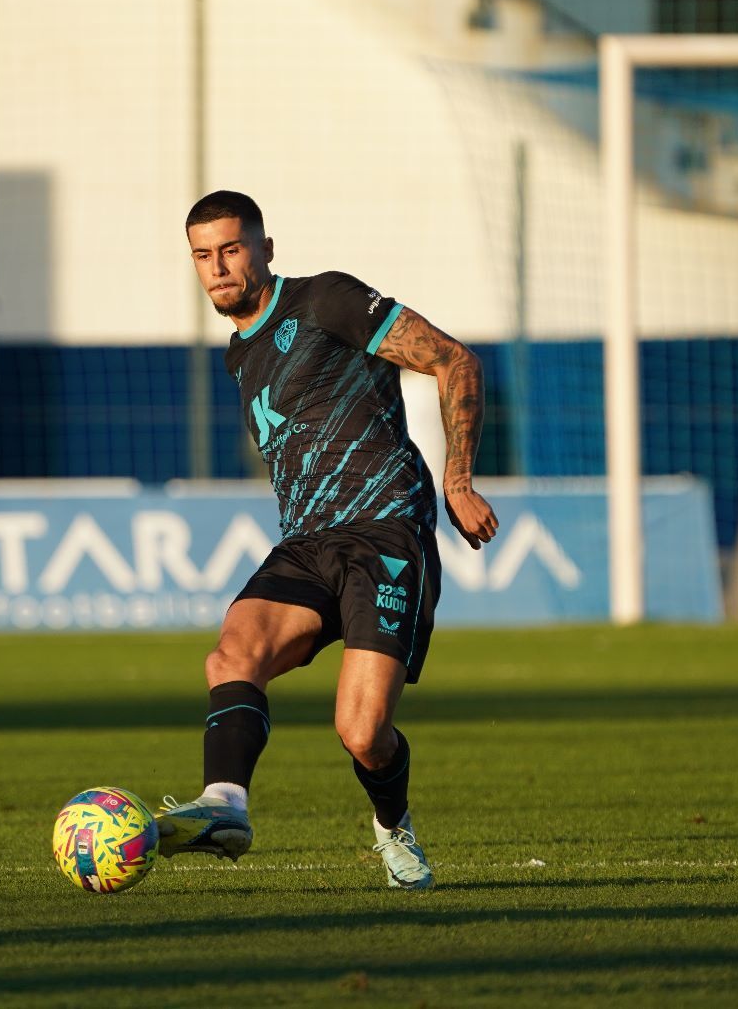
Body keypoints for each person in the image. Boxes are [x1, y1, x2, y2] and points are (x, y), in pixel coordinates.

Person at [158, 190, 498, 890]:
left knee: (363, 734)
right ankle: (225, 805)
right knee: (231, 655)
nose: (218, 267)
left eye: (231, 248)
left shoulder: (326, 300)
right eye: (203, 255)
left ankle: (393, 828)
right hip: (307, 544)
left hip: (384, 535)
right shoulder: (238, 356)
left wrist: (457, 480)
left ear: (264, 248)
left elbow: (454, 360)